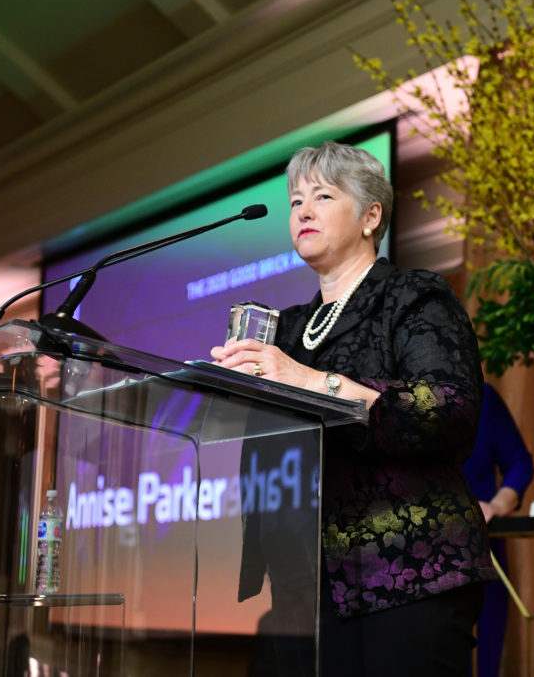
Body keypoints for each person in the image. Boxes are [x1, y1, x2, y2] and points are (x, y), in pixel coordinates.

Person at [211, 141, 495, 676]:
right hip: (304, 581)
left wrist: (311, 381)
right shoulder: (288, 327)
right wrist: (228, 389)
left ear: (371, 216)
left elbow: (450, 408)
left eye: (321, 196)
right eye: (296, 202)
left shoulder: (413, 295)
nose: (304, 212)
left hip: (406, 571)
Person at [464, 383, 534, 677]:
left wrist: (496, 505)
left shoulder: (481, 395)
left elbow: (519, 462)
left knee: (485, 657)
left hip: (479, 546)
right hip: (407, 552)